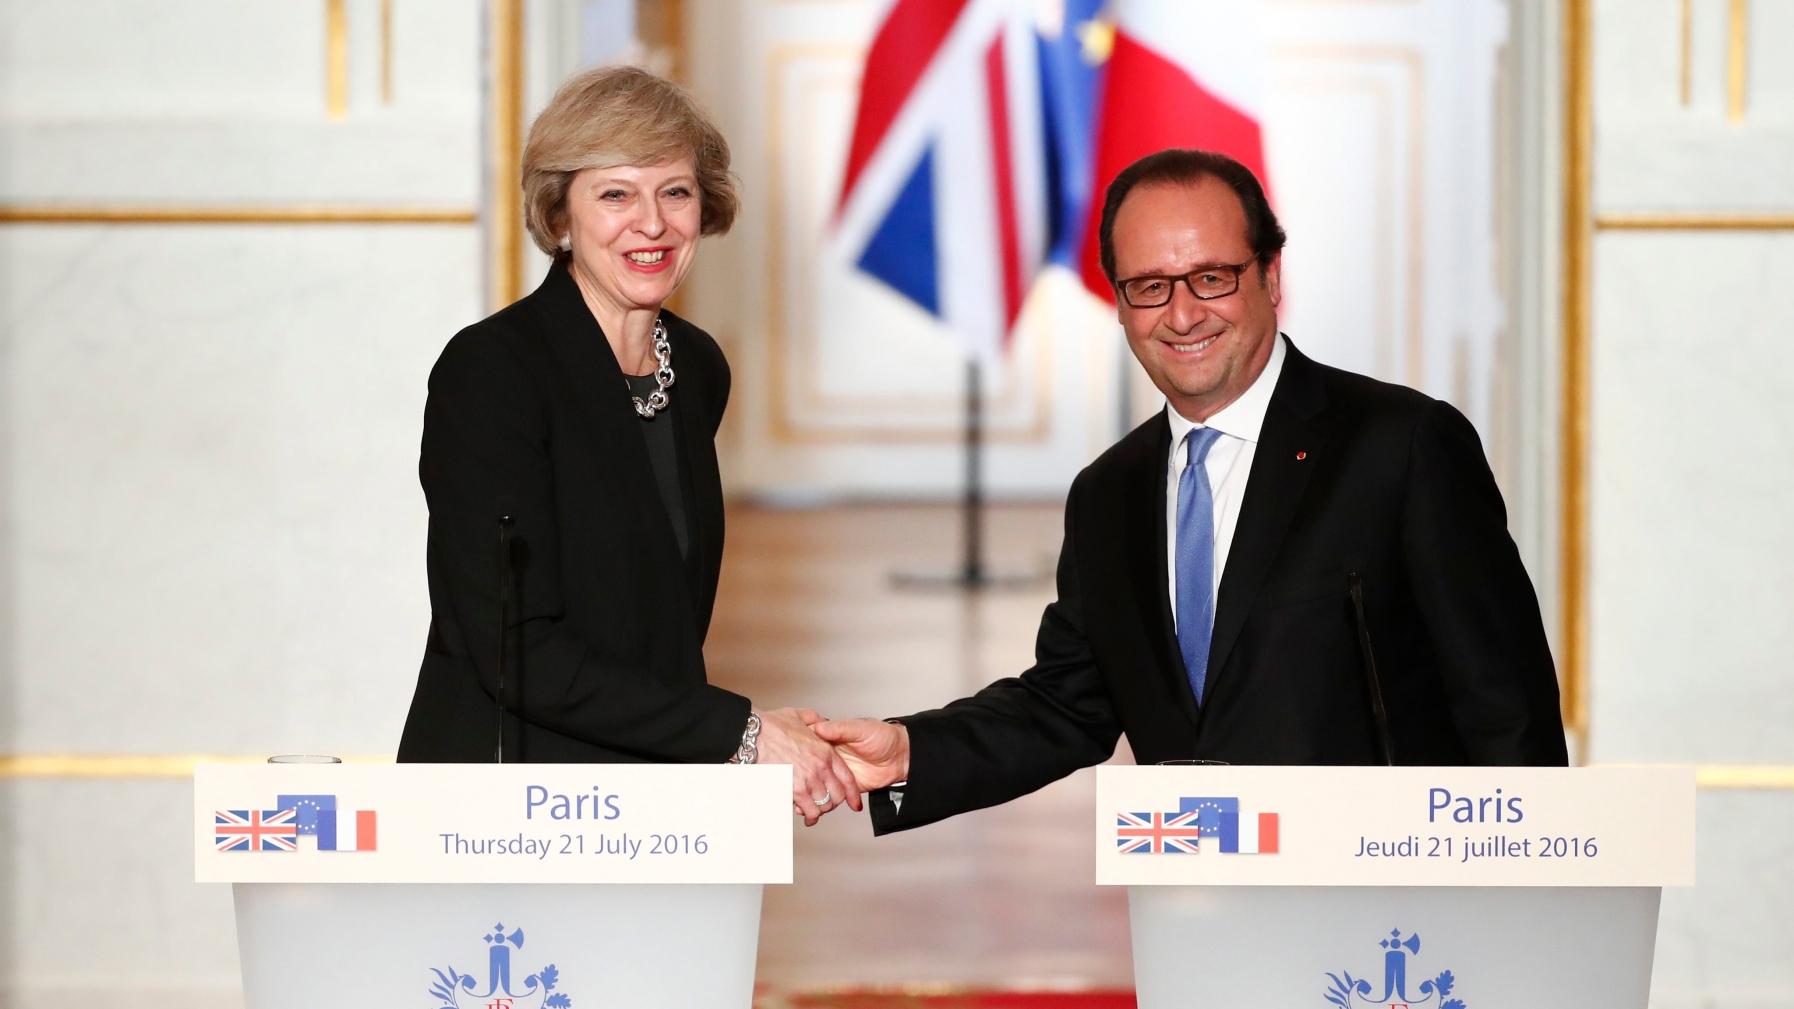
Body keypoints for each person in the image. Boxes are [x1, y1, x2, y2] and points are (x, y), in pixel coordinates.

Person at [814, 148, 1567, 834]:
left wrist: (1518, 901)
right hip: (1195, 904)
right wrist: (912, 751)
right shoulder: (1108, 494)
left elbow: (1505, 707)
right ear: (1118, 302)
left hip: (1389, 910)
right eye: (1149, 287)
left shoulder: (1402, 446)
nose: (1181, 314)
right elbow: (1067, 704)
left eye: (1211, 277)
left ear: (1270, 277)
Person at [396, 66, 856, 823]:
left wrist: (739, 737)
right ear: (561, 216)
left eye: (674, 192)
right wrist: (743, 734)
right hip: (504, 808)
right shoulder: (493, 373)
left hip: (649, 798)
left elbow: (652, 623)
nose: (652, 223)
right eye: (615, 194)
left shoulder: (697, 368)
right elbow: (514, 650)